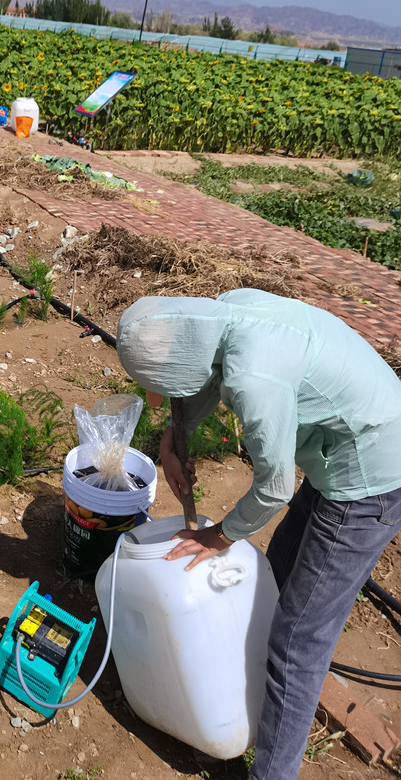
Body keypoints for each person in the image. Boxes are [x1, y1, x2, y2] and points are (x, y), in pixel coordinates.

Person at [116, 288, 401, 780]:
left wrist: (217, 537)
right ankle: (266, 684)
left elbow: (274, 488)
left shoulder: (255, 377)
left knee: (298, 640)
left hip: (370, 479)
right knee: (275, 574)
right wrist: (173, 438)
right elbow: (207, 374)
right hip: (343, 444)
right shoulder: (229, 311)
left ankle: (274, 770)